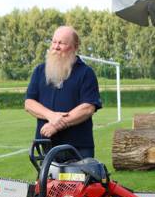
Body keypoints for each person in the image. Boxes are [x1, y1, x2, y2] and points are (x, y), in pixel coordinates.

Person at [25, 26, 102, 160]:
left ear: (75, 46)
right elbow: (29, 103)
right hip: (46, 144)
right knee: (47, 182)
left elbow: (88, 108)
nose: (56, 47)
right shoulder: (39, 70)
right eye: (54, 42)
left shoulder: (86, 73)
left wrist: (57, 124)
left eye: (62, 43)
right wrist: (51, 116)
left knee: (80, 181)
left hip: (78, 147)